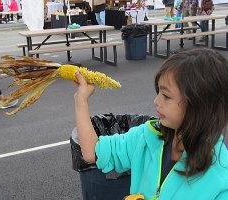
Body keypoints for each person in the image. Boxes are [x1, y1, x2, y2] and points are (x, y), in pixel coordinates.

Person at [73, 48, 228, 199]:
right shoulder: (146, 137)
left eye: (166, 96)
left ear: (199, 105)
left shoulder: (220, 177)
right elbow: (92, 152)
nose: (156, 101)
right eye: (158, 92)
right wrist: (81, 100)